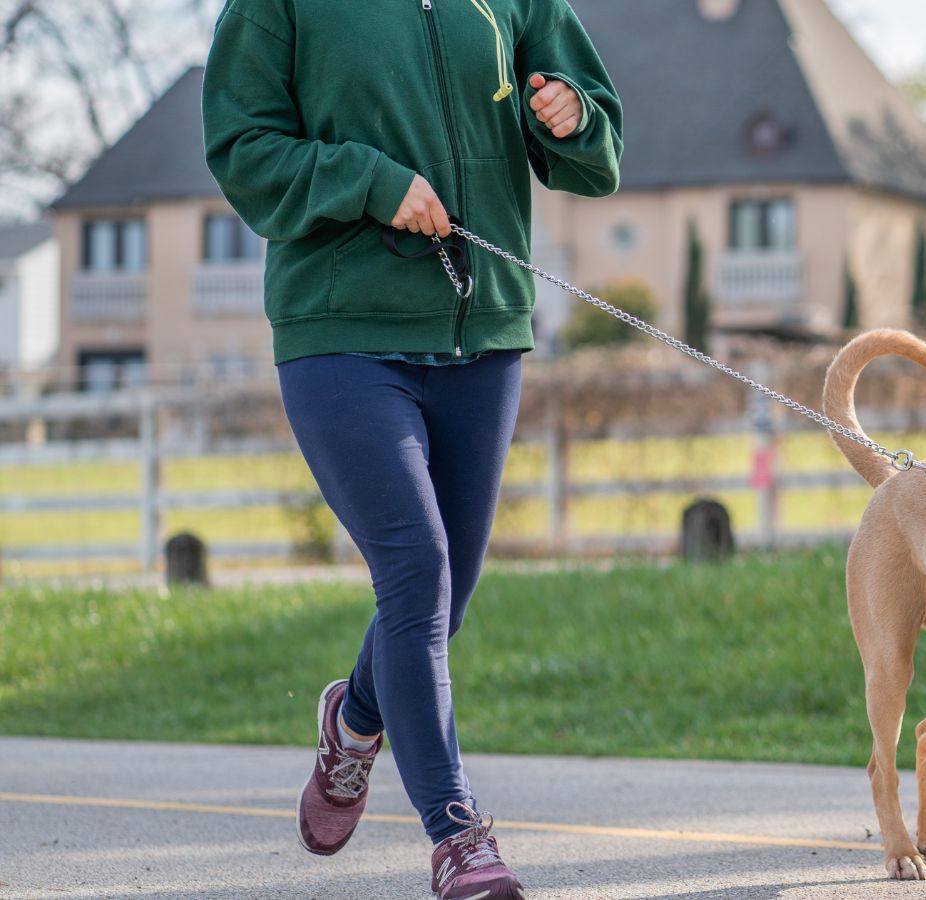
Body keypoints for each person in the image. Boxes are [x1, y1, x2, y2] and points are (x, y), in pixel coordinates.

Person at [202, 0, 621, 896]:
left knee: (445, 595)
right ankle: (457, 834)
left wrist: (574, 115)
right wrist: (368, 181)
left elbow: (598, 155)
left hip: (484, 333)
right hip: (340, 332)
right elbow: (241, 148)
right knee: (416, 567)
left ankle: (354, 720)